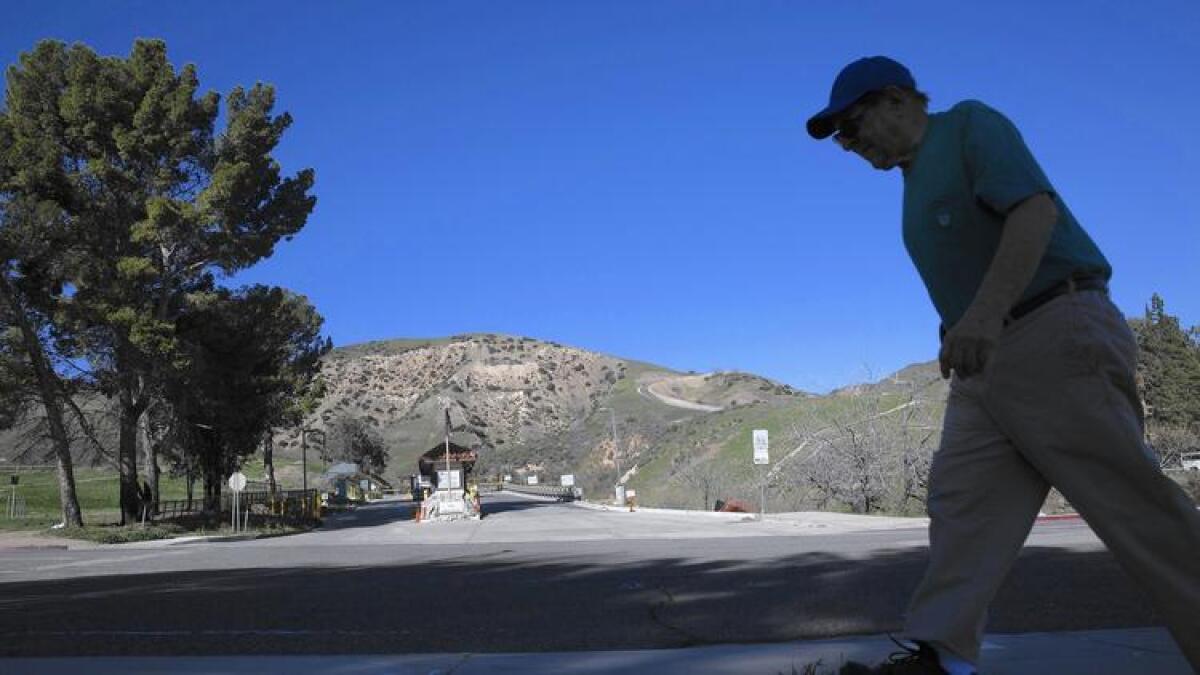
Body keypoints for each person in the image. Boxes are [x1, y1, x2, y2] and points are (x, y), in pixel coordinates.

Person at [804, 56, 1200, 675]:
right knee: (962, 507)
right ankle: (942, 655)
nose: (850, 146)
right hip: (985, 366)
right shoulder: (911, 184)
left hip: (1054, 330)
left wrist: (984, 316)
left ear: (895, 100)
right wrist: (957, 328)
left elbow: (1033, 212)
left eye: (852, 127)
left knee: (1131, 504)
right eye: (841, 141)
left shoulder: (968, 125)